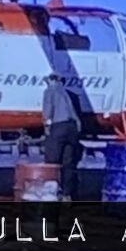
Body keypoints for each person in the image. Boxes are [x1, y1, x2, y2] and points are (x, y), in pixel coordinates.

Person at [42, 71, 82, 201]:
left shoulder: (50, 91)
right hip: (73, 127)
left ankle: (51, 193)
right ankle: (67, 195)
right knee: (68, 162)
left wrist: (47, 126)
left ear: (50, 80)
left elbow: (48, 110)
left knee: (52, 161)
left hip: (59, 126)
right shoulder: (68, 93)